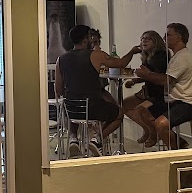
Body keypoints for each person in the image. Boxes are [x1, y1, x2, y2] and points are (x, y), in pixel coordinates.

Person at [54, 24, 140, 157]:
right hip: (93, 107)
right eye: (90, 37)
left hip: (71, 110)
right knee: (119, 113)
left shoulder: (60, 59)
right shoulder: (96, 55)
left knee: (79, 110)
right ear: (85, 40)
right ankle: (96, 139)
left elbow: (58, 89)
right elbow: (121, 63)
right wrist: (132, 52)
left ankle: (73, 139)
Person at [134, 22, 192, 150]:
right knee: (142, 111)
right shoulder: (176, 56)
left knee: (161, 124)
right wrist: (147, 75)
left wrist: (147, 75)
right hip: (173, 100)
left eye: (168, 35)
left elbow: (165, 81)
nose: (164, 38)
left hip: (188, 103)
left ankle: (174, 153)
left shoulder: (182, 57)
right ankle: (176, 141)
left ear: (178, 37)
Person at [121, 30, 169, 147]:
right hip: (147, 92)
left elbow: (158, 77)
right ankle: (147, 129)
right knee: (125, 105)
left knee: (139, 110)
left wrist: (142, 76)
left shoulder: (160, 56)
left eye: (148, 39)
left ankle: (153, 132)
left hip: (158, 95)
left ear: (156, 41)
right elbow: (147, 76)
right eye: (142, 38)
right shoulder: (148, 56)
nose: (144, 41)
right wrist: (134, 81)